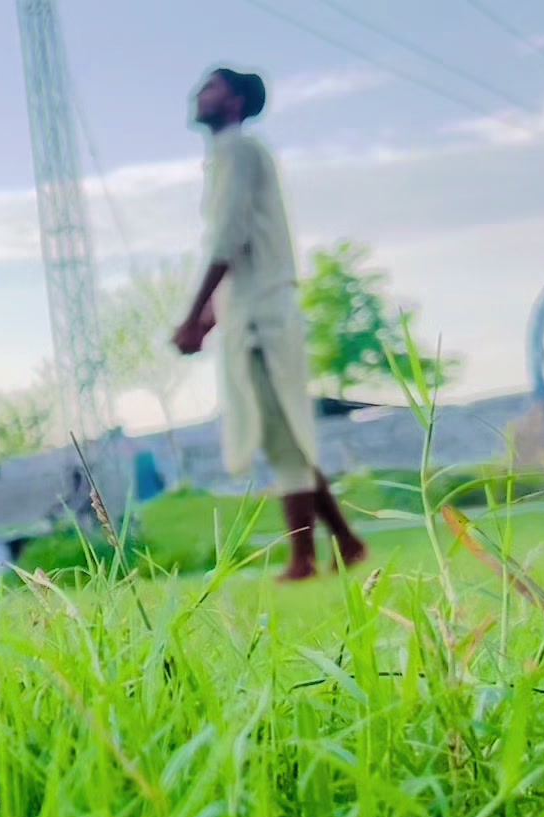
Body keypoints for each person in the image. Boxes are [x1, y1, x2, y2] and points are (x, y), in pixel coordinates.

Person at [173, 68, 366, 581]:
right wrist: (210, 317)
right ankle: (347, 542)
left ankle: (304, 558)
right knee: (284, 433)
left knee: (282, 434)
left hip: (263, 318)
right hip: (251, 311)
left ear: (235, 101)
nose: (199, 94)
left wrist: (193, 317)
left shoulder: (240, 151)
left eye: (211, 87)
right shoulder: (227, 158)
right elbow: (240, 252)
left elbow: (229, 237)